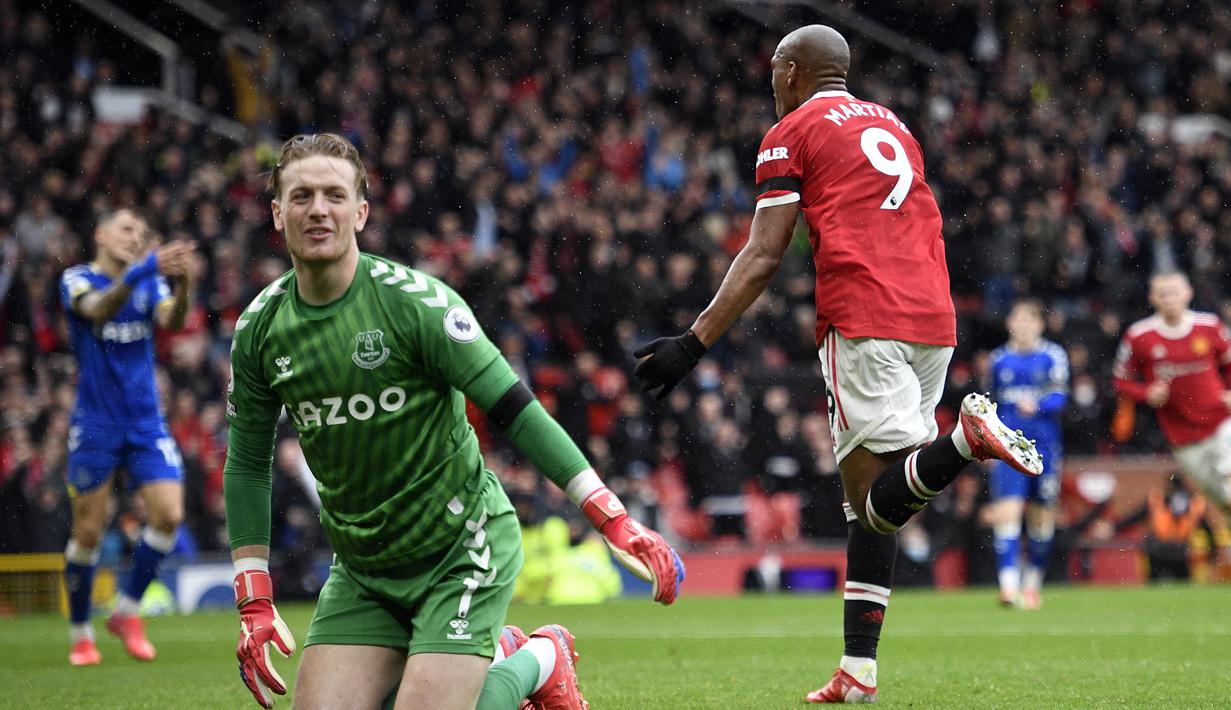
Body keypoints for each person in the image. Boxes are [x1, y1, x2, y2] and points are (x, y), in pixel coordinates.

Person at [631, 25, 1040, 704]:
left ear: (792, 70)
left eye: (773, 68)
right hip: (932, 317)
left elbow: (764, 253)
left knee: (872, 505)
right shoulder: (893, 124)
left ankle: (966, 441)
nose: (770, 81)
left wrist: (694, 342)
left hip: (864, 312)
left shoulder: (790, 131)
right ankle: (858, 670)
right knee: (876, 506)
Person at [223, 133, 683, 710]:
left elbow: (515, 409)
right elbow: (247, 463)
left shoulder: (416, 304)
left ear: (360, 212)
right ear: (276, 212)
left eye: (335, 196)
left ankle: (541, 659)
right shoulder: (260, 329)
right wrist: (254, 598)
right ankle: (497, 657)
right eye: (302, 196)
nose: (319, 209)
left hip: (460, 547)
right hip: (364, 568)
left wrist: (610, 516)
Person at [58, 208, 196, 666]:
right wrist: (143, 269)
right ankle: (81, 634)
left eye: (140, 231)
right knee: (88, 531)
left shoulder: (149, 283)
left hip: (145, 422)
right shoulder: (77, 279)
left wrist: (184, 284)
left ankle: (127, 611)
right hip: (95, 423)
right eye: (126, 229)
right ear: (100, 234)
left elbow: (172, 321)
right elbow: (97, 309)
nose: (134, 236)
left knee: (169, 516)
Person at [1113, 270, 1231, 521]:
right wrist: (1146, 392)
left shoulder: (1210, 326)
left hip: (1222, 422)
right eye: (1163, 294)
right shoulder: (1139, 336)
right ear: (1152, 298)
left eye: (1174, 292)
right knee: (1224, 503)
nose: (1169, 299)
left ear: (1188, 293)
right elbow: (1120, 381)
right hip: (1182, 436)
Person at [985, 298, 1069, 610]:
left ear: (1039, 325)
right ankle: (1008, 587)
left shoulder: (1052, 356)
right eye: (1017, 319)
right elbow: (989, 403)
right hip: (1008, 449)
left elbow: (1061, 397)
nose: (1023, 326)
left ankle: (1032, 585)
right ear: (1009, 324)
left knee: (1041, 520)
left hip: (1044, 449)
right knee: (1007, 513)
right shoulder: (998, 359)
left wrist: (1040, 405)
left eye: (1029, 320)